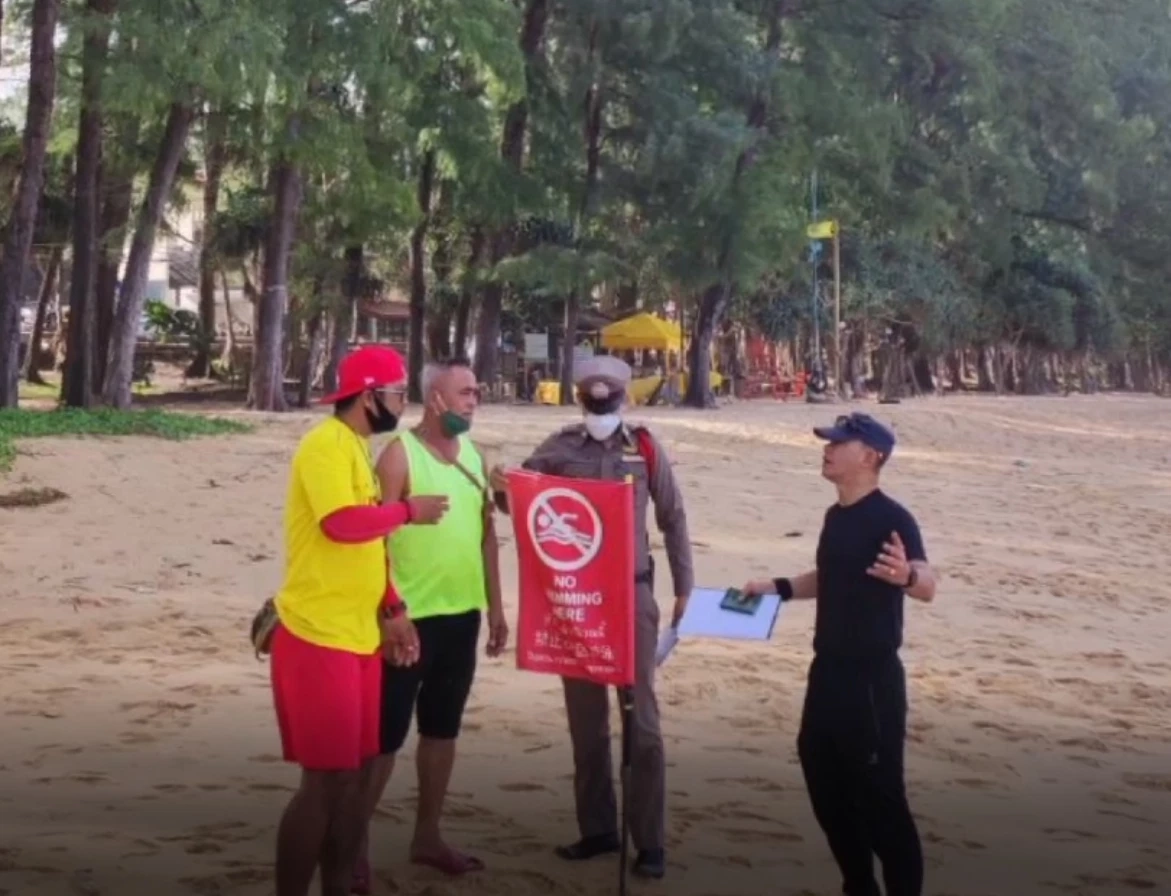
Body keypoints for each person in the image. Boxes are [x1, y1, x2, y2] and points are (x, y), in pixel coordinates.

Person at [490, 354, 694, 881]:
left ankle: (649, 841)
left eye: (608, 400)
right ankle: (598, 828)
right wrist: (500, 486)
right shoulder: (560, 448)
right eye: (591, 400)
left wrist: (684, 588)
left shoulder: (645, 448)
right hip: (577, 604)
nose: (599, 407)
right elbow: (522, 504)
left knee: (641, 724)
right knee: (586, 723)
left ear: (623, 400)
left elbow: (672, 518)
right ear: (580, 399)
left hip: (632, 600)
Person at [268, 345, 450, 896]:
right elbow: (341, 526)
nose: (402, 402)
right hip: (317, 635)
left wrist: (393, 610)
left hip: (359, 634)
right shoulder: (326, 444)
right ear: (369, 396)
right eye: (397, 393)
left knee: (355, 776)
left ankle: (343, 883)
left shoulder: (356, 445)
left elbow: (370, 551)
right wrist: (406, 511)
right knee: (324, 782)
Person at [741, 412, 938, 896]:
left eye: (839, 443)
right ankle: (858, 885)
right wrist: (778, 588)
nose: (827, 449)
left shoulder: (893, 518)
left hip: (872, 680)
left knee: (882, 800)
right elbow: (831, 577)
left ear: (870, 457)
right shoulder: (837, 516)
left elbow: (927, 582)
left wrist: (907, 579)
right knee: (823, 779)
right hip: (826, 671)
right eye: (828, 442)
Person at [356, 357, 508, 885]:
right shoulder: (398, 456)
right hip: (407, 621)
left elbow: (488, 535)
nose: (474, 400)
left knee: (442, 731)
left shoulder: (476, 456)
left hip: (461, 616)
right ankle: (354, 844)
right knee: (384, 738)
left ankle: (427, 835)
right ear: (436, 399)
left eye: (477, 392)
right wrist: (389, 611)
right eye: (465, 392)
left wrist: (496, 609)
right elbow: (371, 540)